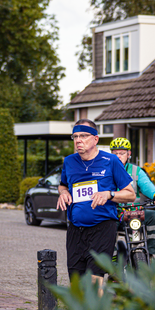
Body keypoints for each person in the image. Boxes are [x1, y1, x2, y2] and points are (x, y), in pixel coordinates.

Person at [57, 119, 136, 292]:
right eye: (75, 136)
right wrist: (63, 193)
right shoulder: (69, 162)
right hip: (75, 230)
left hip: (102, 229)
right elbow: (63, 184)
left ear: (96, 139)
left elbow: (130, 194)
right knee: (76, 283)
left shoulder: (111, 160)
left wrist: (109, 194)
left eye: (84, 136)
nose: (78, 140)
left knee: (94, 282)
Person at [109, 137, 155, 259]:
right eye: (115, 153)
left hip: (134, 213)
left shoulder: (136, 171)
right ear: (111, 154)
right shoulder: (106, 170)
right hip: (113, 213)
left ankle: (149, 253)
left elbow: (147, 186)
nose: (119, 156)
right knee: (106, 229)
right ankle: (112, 260)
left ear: (129, 154)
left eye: (122, 153)